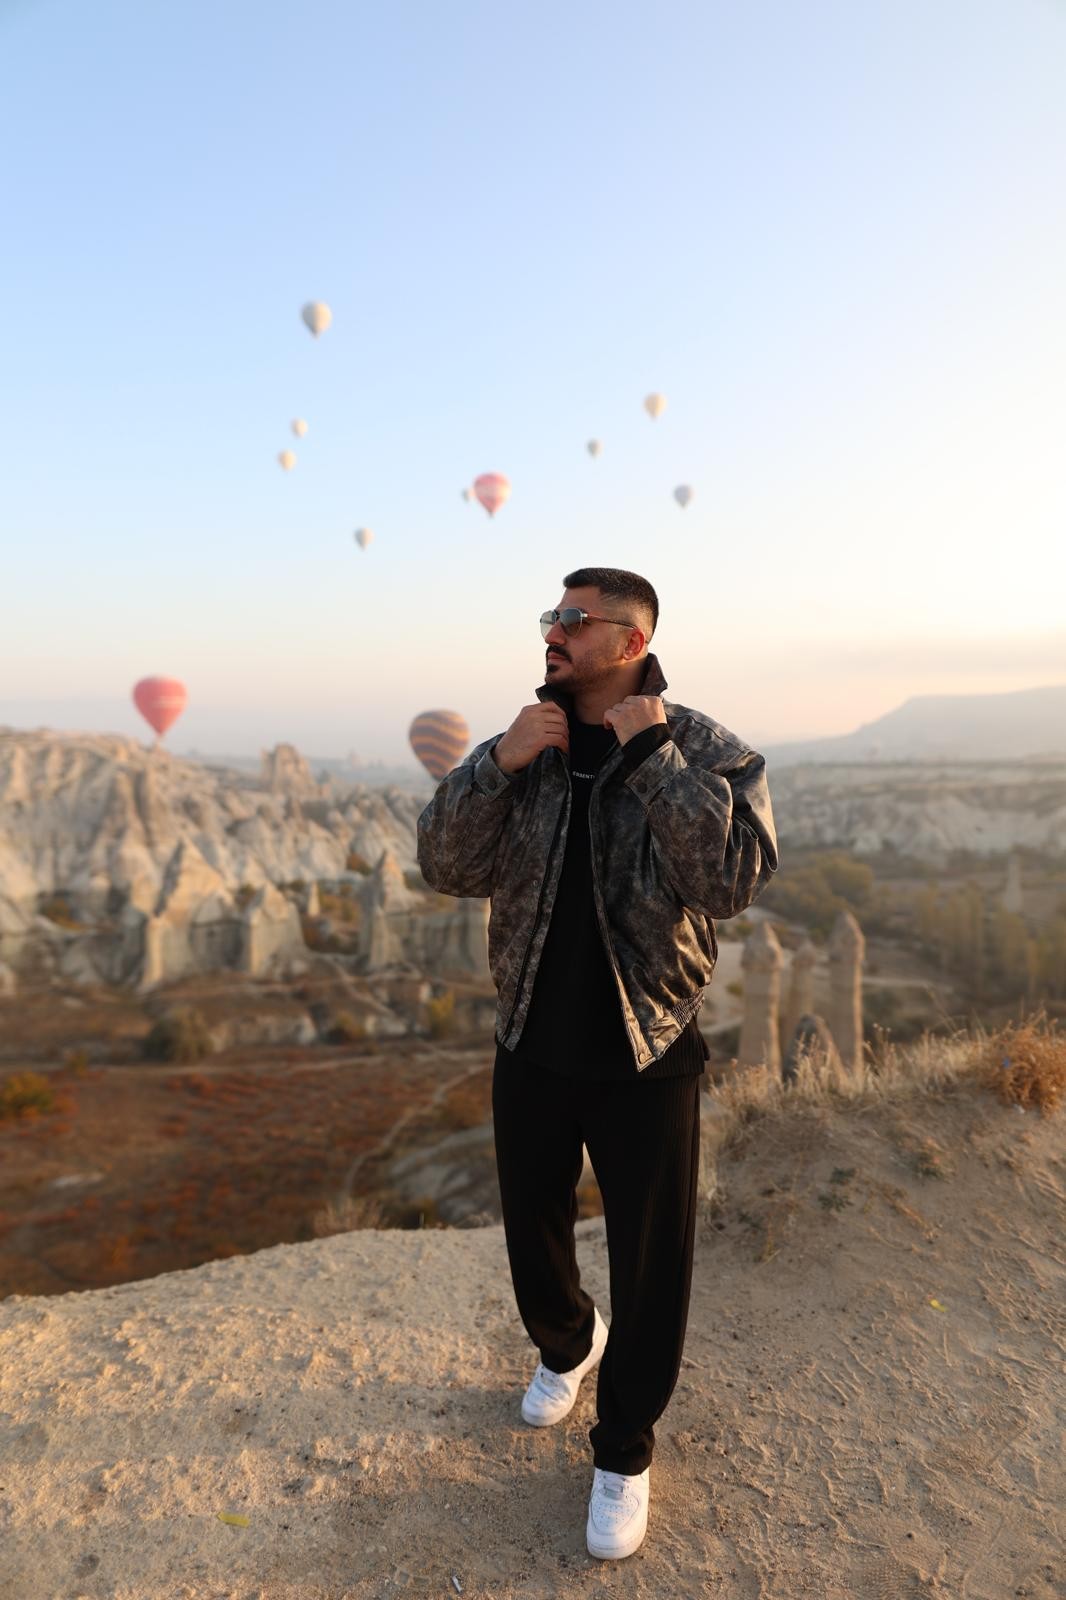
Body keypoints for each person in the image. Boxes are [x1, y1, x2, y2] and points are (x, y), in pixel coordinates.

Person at [416, 566, 778, 1560]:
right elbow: (443, 865)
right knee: (532, 1225)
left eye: (571, 621)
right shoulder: (522, 743)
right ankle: (568, 1343)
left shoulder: (703, 748)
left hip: (647, 1047)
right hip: (531, 1031)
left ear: (626, 640)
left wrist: (654, 757)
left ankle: (622, 1448)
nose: (552, 634)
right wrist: (493, 763)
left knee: (649, 1257)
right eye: (549, 617)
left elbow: (733, 879)